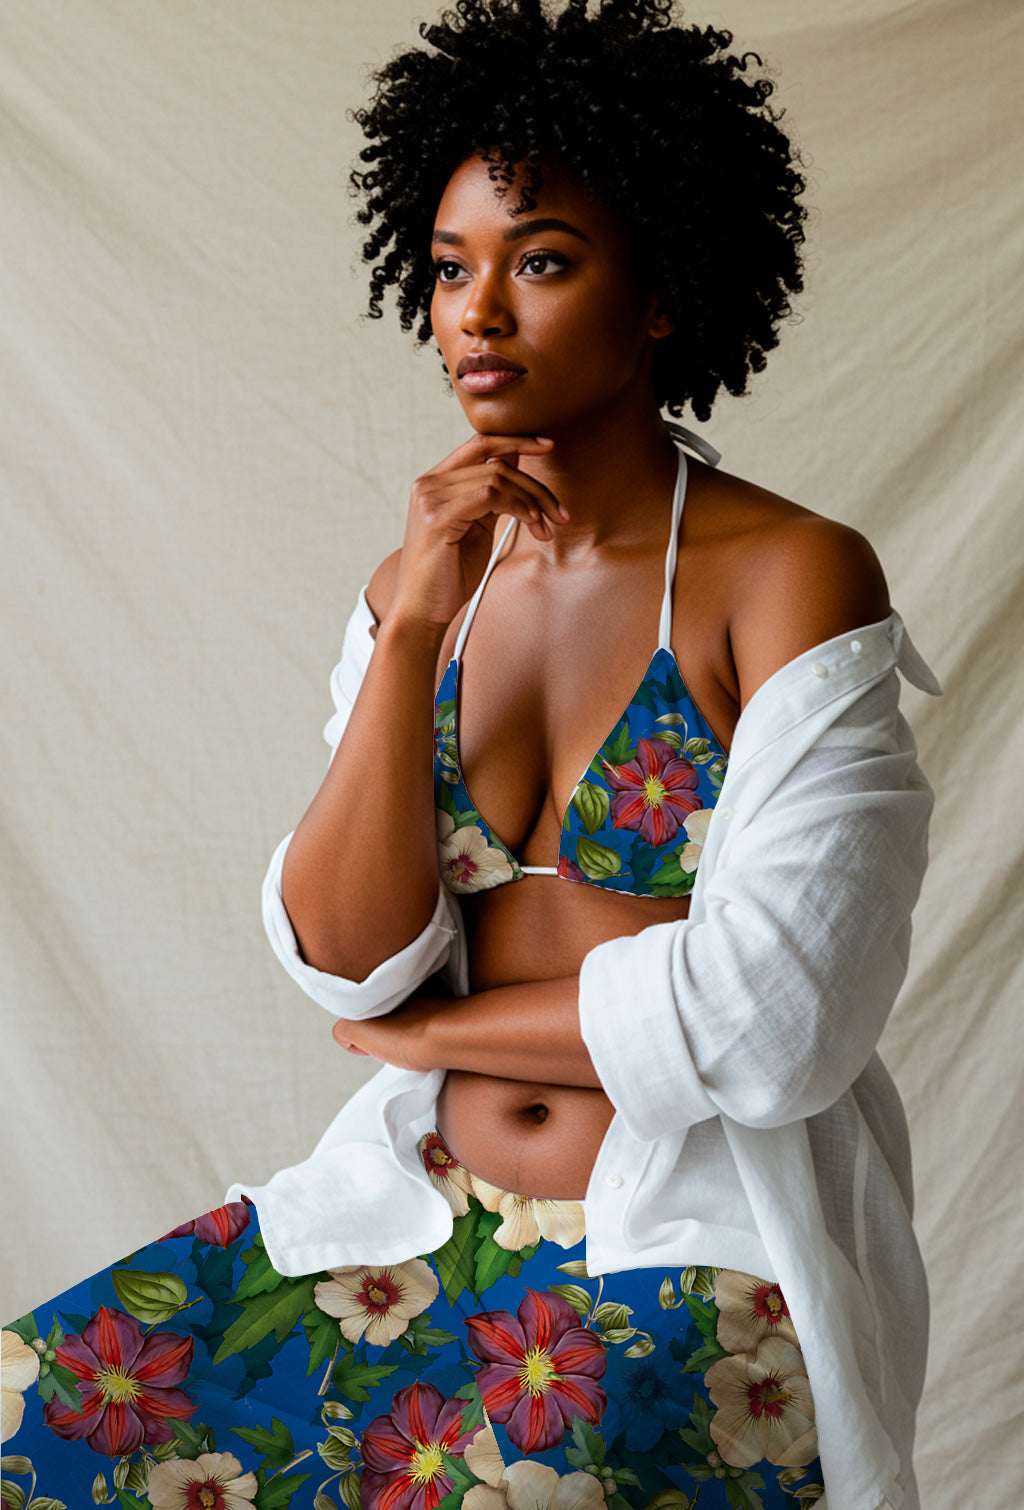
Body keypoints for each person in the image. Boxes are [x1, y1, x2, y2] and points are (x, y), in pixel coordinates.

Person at [1, 4, 939, 1508]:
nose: (477, 313)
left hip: (688, 1262)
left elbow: (777, 1023)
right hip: (422, 1228)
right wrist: (415, 625)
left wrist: (438, 1036)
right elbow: (344, 955)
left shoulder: (787, 577)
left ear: (662, 292)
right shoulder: (422, 585)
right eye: (450, 268)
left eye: (541, 262)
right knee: (41, 1419)